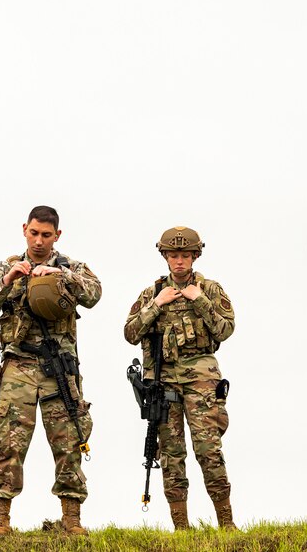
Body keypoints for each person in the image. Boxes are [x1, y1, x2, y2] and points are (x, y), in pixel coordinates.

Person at [0, 205, 101, 536]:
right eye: (34, 233)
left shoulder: (71, 267)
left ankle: (71, 519)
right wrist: (8, 280)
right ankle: (0, 519)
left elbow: (94, 294)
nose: (39, 241)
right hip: (19, 365)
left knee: (68, 441)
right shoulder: (6, 266)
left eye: (46, 235)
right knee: (9, 441)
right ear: (24, 230)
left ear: (57, 235)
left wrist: (61, 276)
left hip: (58, 366)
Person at [124, 227, 237, 530]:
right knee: (171, 455)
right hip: (163, 382)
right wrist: (156, 305)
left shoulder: (210, 289)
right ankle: (181, 529)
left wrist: (200, 300)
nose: (179, 261)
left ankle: (227, 524)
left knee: (209, 450)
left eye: (185, 255)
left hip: (201, 379)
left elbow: (225, 329)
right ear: (165, 256)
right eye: (173, 255)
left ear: (195, 256)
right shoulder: (152, 293)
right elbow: (130, 333)